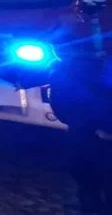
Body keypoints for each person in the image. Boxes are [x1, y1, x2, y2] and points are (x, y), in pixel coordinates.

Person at [50, 40, 112, 214]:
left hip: (80, 138)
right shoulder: (106, 67)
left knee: (87, 188)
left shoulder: (60, 71)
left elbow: (60, 110)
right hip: (103, 138)